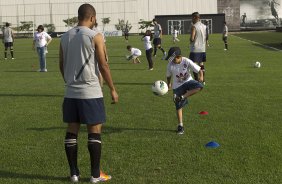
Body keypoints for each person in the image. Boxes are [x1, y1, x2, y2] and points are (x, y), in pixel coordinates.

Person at [59, 3, 118, 183]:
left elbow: (61, 64)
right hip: (90, 92)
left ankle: (74, 174)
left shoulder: (64, 36)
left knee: (72, 130)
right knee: (94, 130)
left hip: (70, 92)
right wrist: (112, 89)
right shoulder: (95, 36)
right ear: (92, 18)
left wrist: (69, 81)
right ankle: (95, 175)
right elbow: (104, 65)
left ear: (79, 17)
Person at [166, 47, 204, 135]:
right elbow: (168, 76)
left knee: (199, 86)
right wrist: (169, 85)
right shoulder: (170, 65)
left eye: (174, 58)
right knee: (178, 106)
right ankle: (180, 125)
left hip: (188, 81)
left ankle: (182, 97)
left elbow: (199, 70)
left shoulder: (186, 61)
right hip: (177, 86)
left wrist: (201, 77)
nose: (172, 61)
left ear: (179, 56)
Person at [189, 12, 207, 84]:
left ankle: (196, 81)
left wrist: (190, 39)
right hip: (203, 48)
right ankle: (203, 80)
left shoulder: (194, 26)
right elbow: (206, 37)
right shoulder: (204, 26)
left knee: (194, 65)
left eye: (192, 17)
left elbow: (192, 38)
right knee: (201, 64)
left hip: (195, 48)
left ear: (195, 17)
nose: (191, 19)